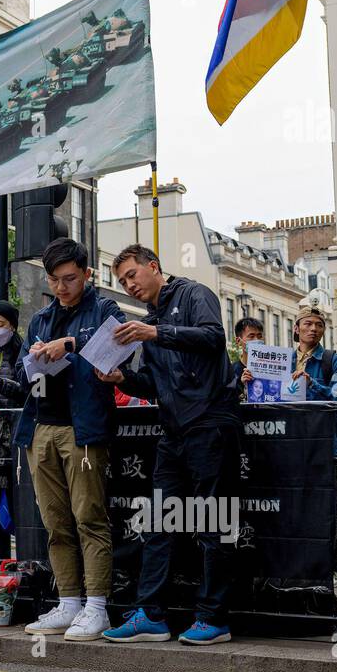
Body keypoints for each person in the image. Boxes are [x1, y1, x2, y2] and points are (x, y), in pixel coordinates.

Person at [104, 244, 243, 646]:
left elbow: (214, 338)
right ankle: (150, 615)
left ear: (154, 266)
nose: (129, 285)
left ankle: (214, 618)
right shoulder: (148, 324)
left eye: (132, 275)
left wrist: (156, 332)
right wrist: (122, 381)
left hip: (212, 423)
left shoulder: (194, 294)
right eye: (122, 281)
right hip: (173, 431)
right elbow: (148, 383)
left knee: (213, 522)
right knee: (160, 522)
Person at [16, 238, 123, 641]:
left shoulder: (104, 308)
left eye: (70, 279)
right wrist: (39, 356)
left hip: (83, 428)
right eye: (55, 280)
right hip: (40, 427)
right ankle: (70, 603)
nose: (62, 287)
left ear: (87, 274)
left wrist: (71, 345)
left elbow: (116, 346)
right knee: (55, 522)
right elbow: (22, 368)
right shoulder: (41, 317)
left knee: (89, 518)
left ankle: (97, 608)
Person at [287, 305, 337, 401]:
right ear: (296, 329)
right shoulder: (285, 360)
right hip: (287, 416)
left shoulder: (335, 361)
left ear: (324, 331)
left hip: (320, 416)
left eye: (319, 325)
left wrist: (312, 384)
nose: (314, 328)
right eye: (308, 324)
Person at [232, 317, 264, 397]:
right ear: (238, 341)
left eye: (259, 336)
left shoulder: (270, 369)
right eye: (251, 336)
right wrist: (241, 385)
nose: (256, 340)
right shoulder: (231, 372)